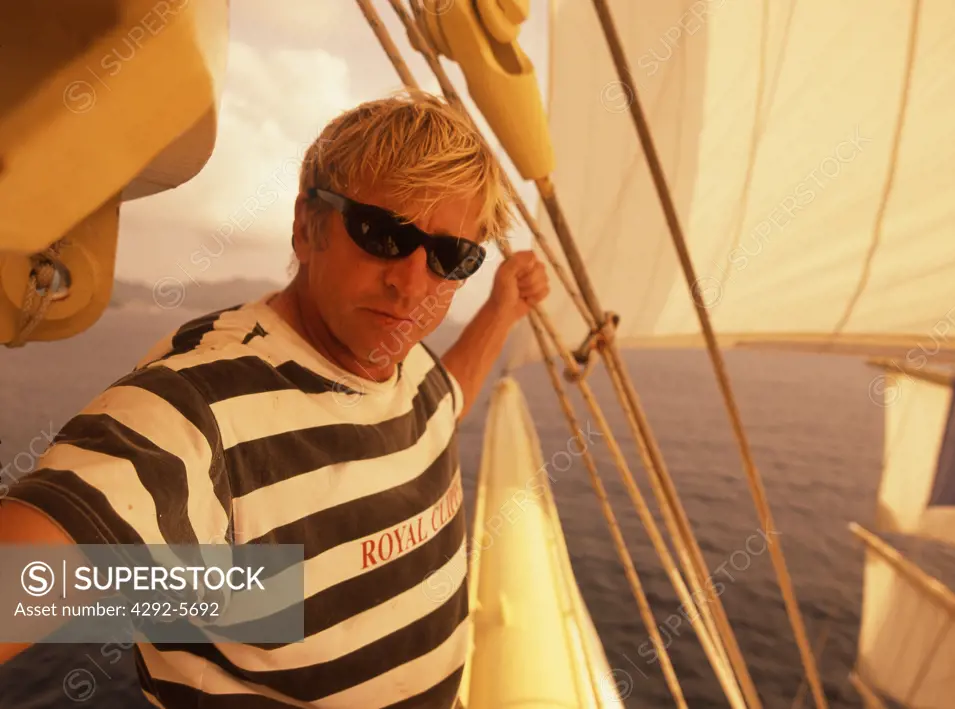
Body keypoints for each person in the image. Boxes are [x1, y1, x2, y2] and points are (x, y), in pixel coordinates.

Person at [0, 90, 549, 708]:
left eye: (452, 256)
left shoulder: (406, 364)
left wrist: (503, 311)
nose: (412, 286)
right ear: (306, 226)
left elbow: (444, 404)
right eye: (382, 235)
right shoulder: (197, 412)